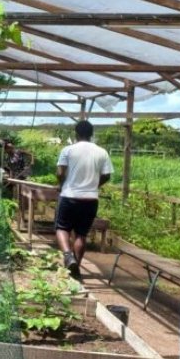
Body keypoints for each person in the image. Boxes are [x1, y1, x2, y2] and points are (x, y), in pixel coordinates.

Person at [54, 120, 113, 282]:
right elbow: (107, 175)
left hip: (69, 196)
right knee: (81, 234)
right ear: (92, 134)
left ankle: (68, 256)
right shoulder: (102, 152)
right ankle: (76, 267)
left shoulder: (68, 150)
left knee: (62, 228)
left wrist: (61, 184)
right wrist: (95, 185)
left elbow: (60, 172)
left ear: (76, 133)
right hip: (90, 199)